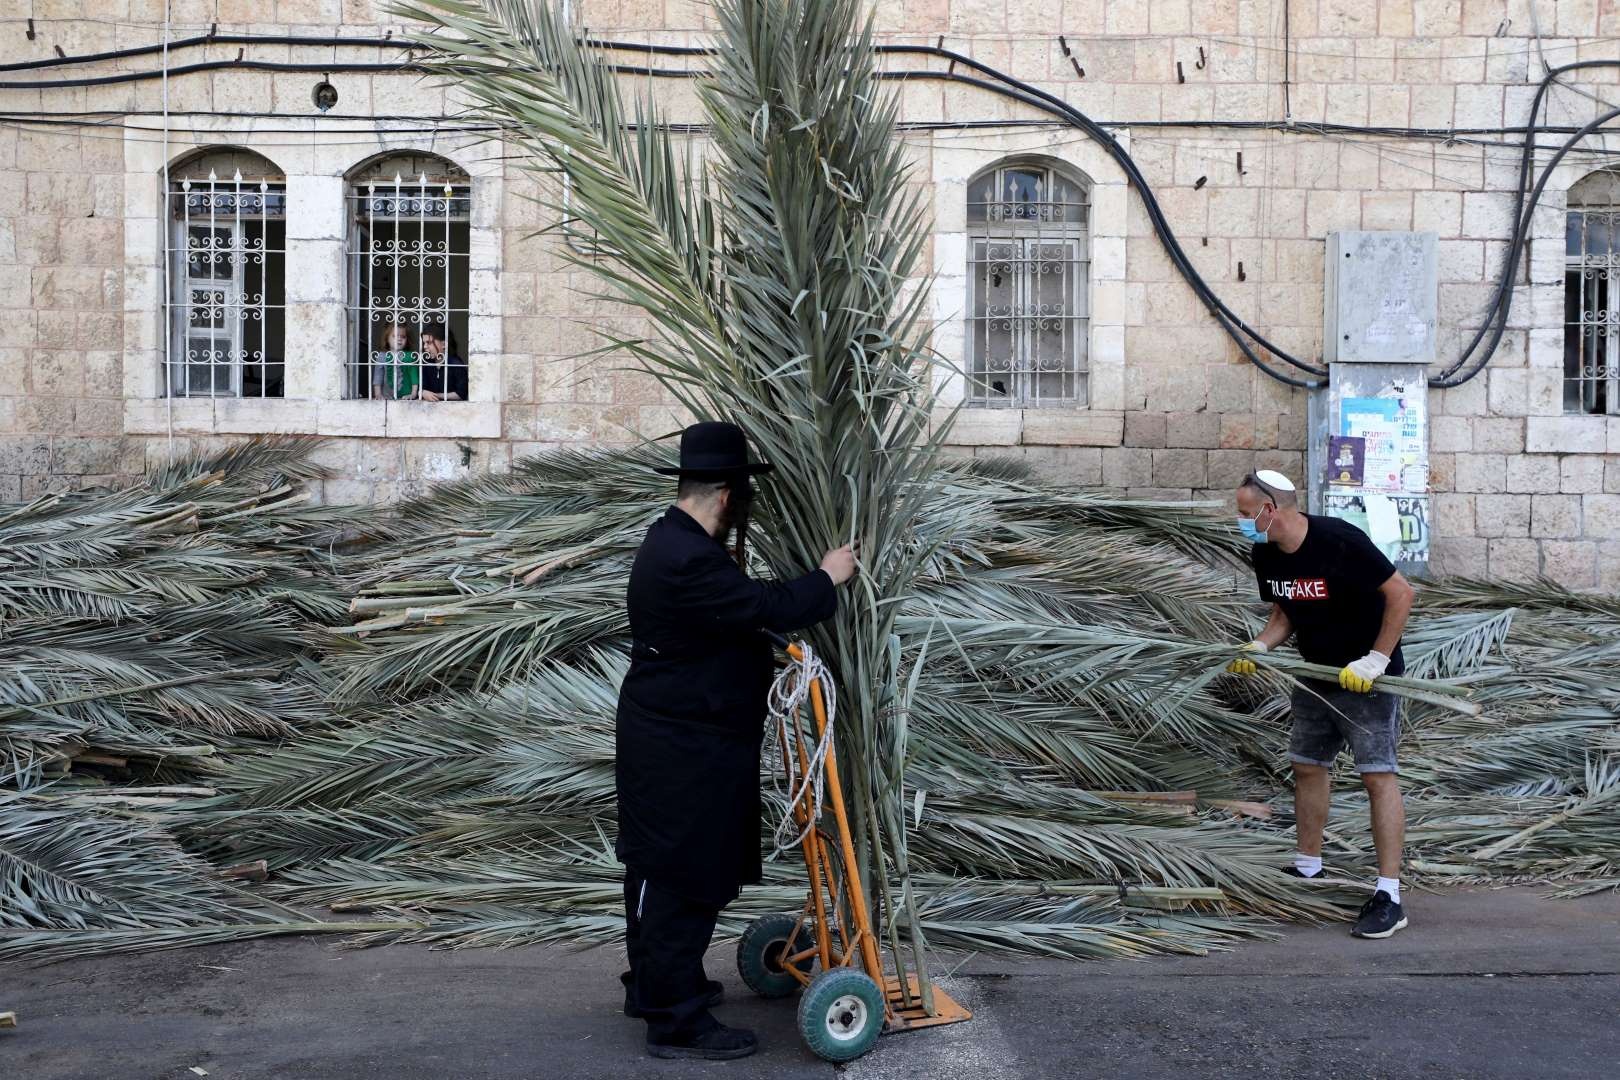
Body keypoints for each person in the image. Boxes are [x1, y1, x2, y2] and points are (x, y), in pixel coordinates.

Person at [614, 421, 857, 1061]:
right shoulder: (687, 557)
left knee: (663, 872)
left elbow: (722, 622)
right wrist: (828, 576)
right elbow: (761, 605)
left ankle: (660, 987)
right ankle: (675, 1022)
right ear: (726, 495)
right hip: (683, 747)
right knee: (681, 877)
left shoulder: (672, 541)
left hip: (680, 738)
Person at [1226, 469, 1416, 939]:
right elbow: (1285, 610)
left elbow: (1401, 593)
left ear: (1270, 510)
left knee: (1377, 775)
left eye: (1246, 514)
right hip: (1315, 674)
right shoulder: (1264, 553)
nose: (1242, 522)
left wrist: (1376, 658)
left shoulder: (1339, 540)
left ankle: (1389, 894)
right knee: (1308, 766)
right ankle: (1308, 865)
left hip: (1367, 678)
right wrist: (1261, 646)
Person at [415, 322, 467, 401]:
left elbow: (461, 393)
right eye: (424, 343)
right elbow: (421, 387)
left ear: (443, 344)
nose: (425, 346)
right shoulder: (426, 363)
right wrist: (422, 392)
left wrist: (437, 396)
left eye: (429, 343)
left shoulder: (455, 363)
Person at [371, 320, 419, 400]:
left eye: (403, 336)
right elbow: (378, 376)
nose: (399, 339)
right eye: (395, 336)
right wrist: (378, 394)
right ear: (387, 338)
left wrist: (413, 394)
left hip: (405, 397)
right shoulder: (382, 356)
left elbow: (414, 377)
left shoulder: (410, 356)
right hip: (386, 397)